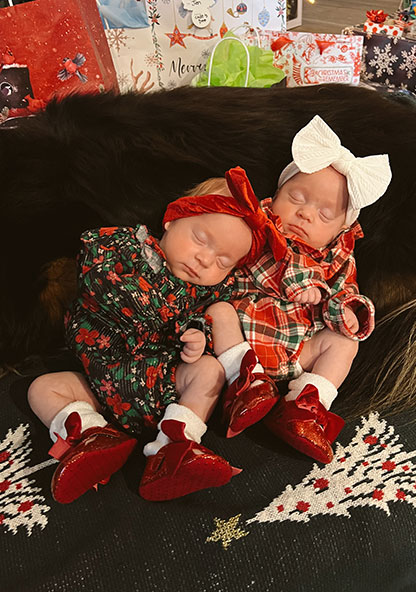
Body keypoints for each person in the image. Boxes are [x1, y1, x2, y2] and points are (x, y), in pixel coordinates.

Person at [27, 167, 285, 504]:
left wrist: (196, 338)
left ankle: (173, 449)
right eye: (200, 239)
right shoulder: (124, 247)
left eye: (223, 261)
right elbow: (97, 280)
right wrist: (166, 318)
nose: (205, 259)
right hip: (99, 379)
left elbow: (202, 322)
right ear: (172, 219)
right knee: (42, 389)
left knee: (210, 371)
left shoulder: (205, 293)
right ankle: (93, 435)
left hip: (160, 383)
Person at [187, 115, 392, 464]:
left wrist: (344, 311)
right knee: (218, 312)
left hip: (299, 351)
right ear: (276, 194)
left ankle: (305, 404)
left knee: (343, 342)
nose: (305, 214)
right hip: (240, 341)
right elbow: (244, 263)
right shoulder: (258, 227)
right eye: (296, 197)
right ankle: (245, 386)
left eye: (324, 215)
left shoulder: (338, 257)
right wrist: (302, 283)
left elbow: (345, 292)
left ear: (340, 230)